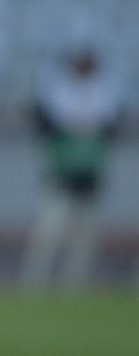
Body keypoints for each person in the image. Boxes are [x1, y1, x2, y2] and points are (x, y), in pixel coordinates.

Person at [20, 47, 123, 290]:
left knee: (83, 238)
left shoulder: (103, 93)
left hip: (88, 176)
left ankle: (73, 286)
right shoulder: (61, 91)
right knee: (48, 233)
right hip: (61, 175)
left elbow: (110, 127)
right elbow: (45, 121)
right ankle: (36, 283)